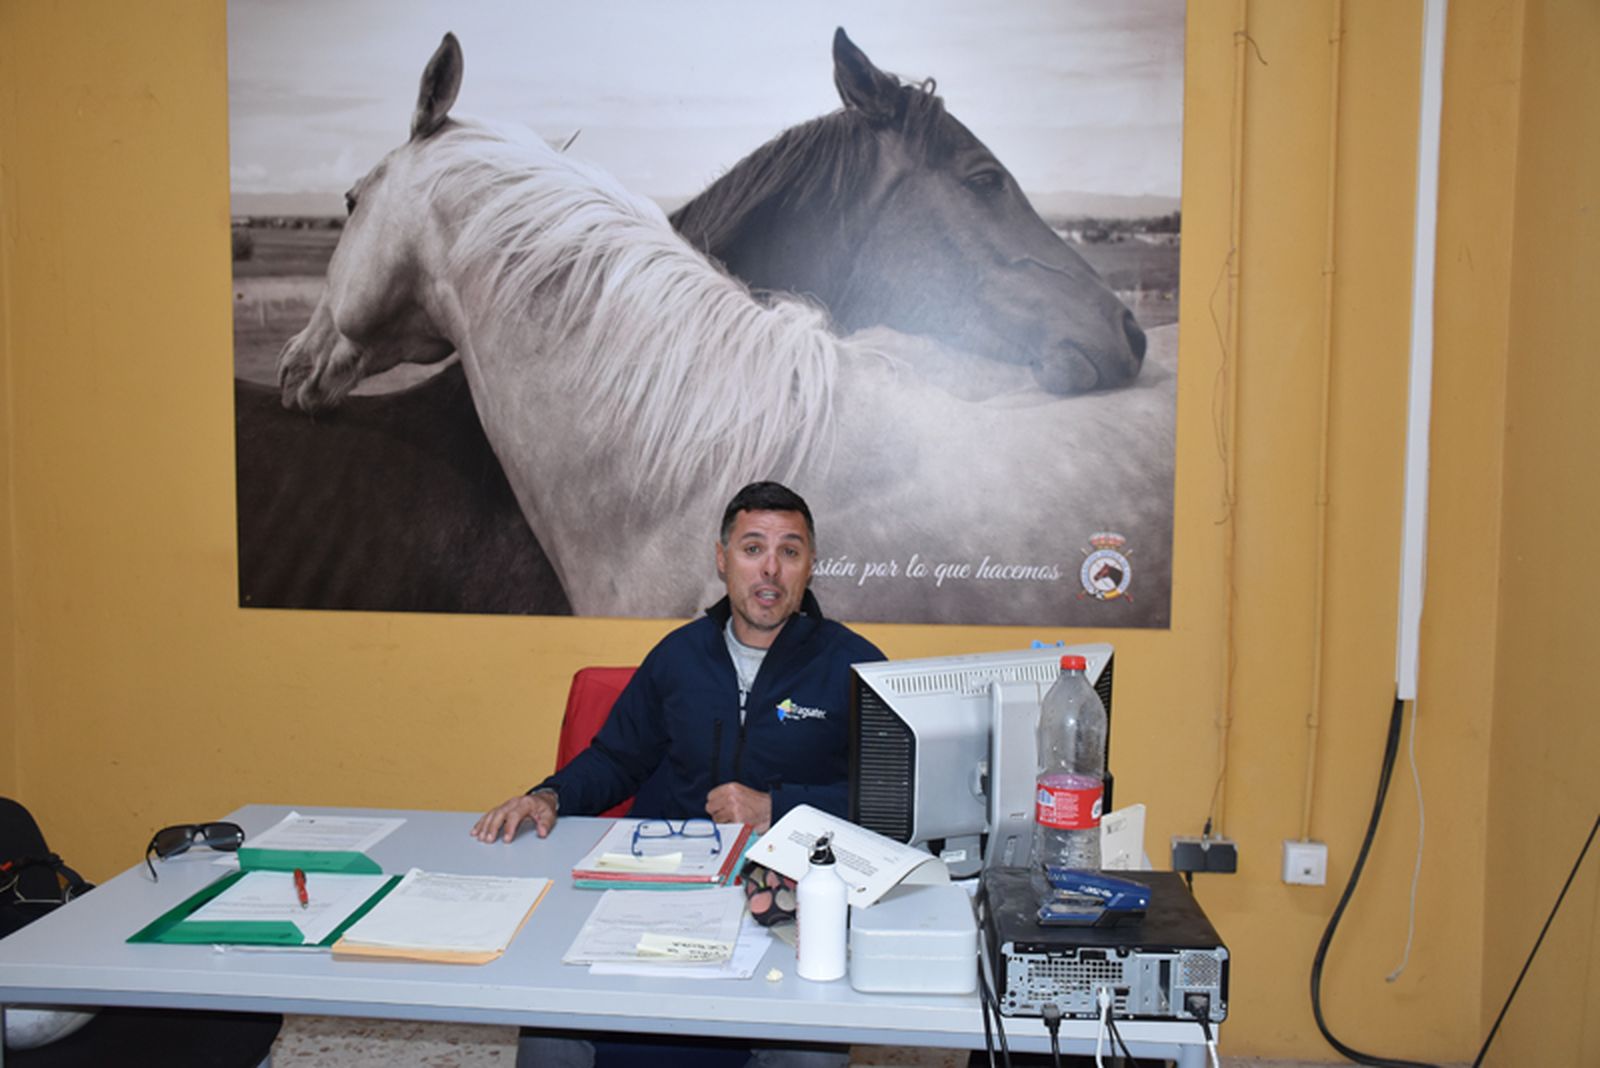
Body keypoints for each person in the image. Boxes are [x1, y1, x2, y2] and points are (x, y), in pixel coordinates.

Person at [474, 481, 884, 1068]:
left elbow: (892, 806)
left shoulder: (853, 665)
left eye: (789, 552)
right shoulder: (678, 656)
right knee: (547, 1029)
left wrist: (778, 808)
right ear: (722, 560)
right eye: (752, 549)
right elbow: (617, 758)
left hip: (789, 905)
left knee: (811, 1057)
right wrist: (550, 795)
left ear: (809, 567)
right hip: (666, 891)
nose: (770, 568)